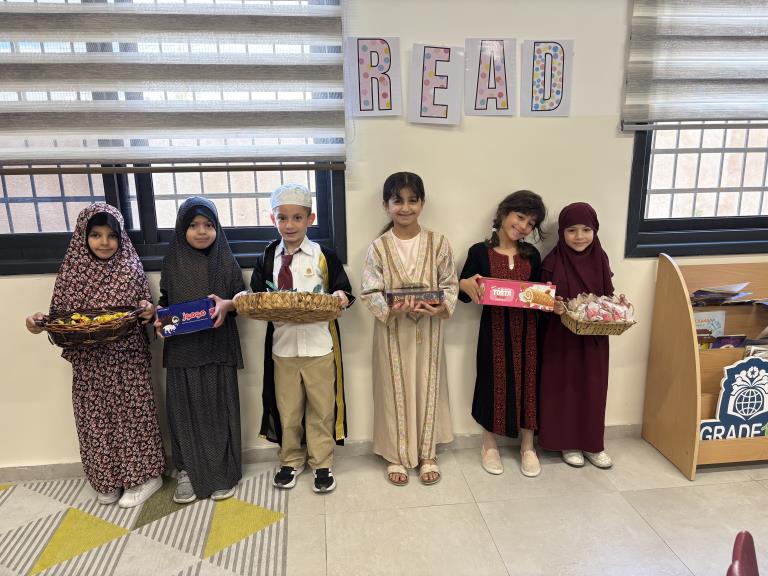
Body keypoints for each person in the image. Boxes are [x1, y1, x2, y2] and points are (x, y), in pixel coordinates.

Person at [25, 203, 164, 508]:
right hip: (88, 364)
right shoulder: (71, 272)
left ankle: (145, 477)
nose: (104, 242)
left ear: (121, 238)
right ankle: (106, 479)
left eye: (112, 235)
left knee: (133, 417)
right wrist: (36, 323)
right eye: (96, 235)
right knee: (94, 420)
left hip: (127, 360)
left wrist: (148, 310)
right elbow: (58, 319)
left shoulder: (130, 267)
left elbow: (146, 308)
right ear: (82, 236)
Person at [247, 183, 353, 494]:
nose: (289, 225)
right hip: (283, 349)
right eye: (282, 218)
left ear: (310, 219)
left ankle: (322, 461)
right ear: (273, 219)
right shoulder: (268, 256)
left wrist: (339, 297)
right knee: (288, 409)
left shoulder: (323, 256)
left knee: (322, 409)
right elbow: (257, 295)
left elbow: (343, 290)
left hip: (319, 347)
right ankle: (291, 459)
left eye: (297, 218)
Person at [360, 171, 458, 486]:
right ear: (386, 205)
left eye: (412, 200)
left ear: (422, 203)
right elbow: (369, 291)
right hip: (391, 331)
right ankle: (396, 455)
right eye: (397, 201)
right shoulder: (379, 247)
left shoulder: (438, 243)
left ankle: (428, 453)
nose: (405, 208)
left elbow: (450, 285)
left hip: (429, 330)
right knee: (393, 390)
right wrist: (389, 308)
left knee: (429, 386)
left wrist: (440, 307)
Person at [155, 197, 245, 503]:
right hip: (183, 352)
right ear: (182, 228)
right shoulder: (171, 262)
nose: (202, 231)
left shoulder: (226, 261)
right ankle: (187, 471)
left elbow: (242, 301)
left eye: (208, 225)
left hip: (217, 348)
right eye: (193, 225)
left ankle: (222, 472)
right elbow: (165, 301)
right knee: (184, 412)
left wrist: (228, 305)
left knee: (218, 412)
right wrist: (159, 317)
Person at [458, 190, 547, 478]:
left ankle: (528, 447)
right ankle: (489, 444)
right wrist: (463, 283)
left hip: (528, 332)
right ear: (504, 213)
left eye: (531, 223)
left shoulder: (532, 255)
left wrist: (548, 298)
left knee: (529, 382)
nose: (523, 226)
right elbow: (464, 294)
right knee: (490, 382)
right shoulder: (478, 252)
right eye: (520, 217)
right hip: (492, 330)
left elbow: (539, 294)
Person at [538, 202, 615, 469]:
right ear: (561, 232)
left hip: (594, 337)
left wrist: (614, 309)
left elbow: (607, 295)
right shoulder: (552, 261)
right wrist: (553, 306)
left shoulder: (600, 258)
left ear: (595, 230)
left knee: (593, 388)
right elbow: (539, 301)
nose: (579, 236)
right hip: (560, 338)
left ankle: (593, 444)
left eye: (586, 229)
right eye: (571, 230)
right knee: (565, 388)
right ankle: (567, 443)